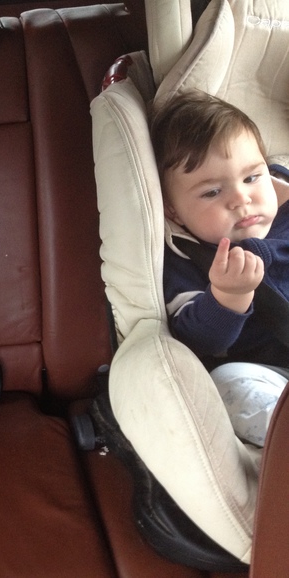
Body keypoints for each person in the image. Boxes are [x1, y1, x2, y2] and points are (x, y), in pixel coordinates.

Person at [151, 90, 289, 446]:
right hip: (273, 376)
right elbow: (196, 341)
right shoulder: (186, 259)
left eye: (252, 177)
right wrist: (228, 295)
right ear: (173, 211)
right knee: (227, 385)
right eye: (212, 192)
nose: (241, 198)